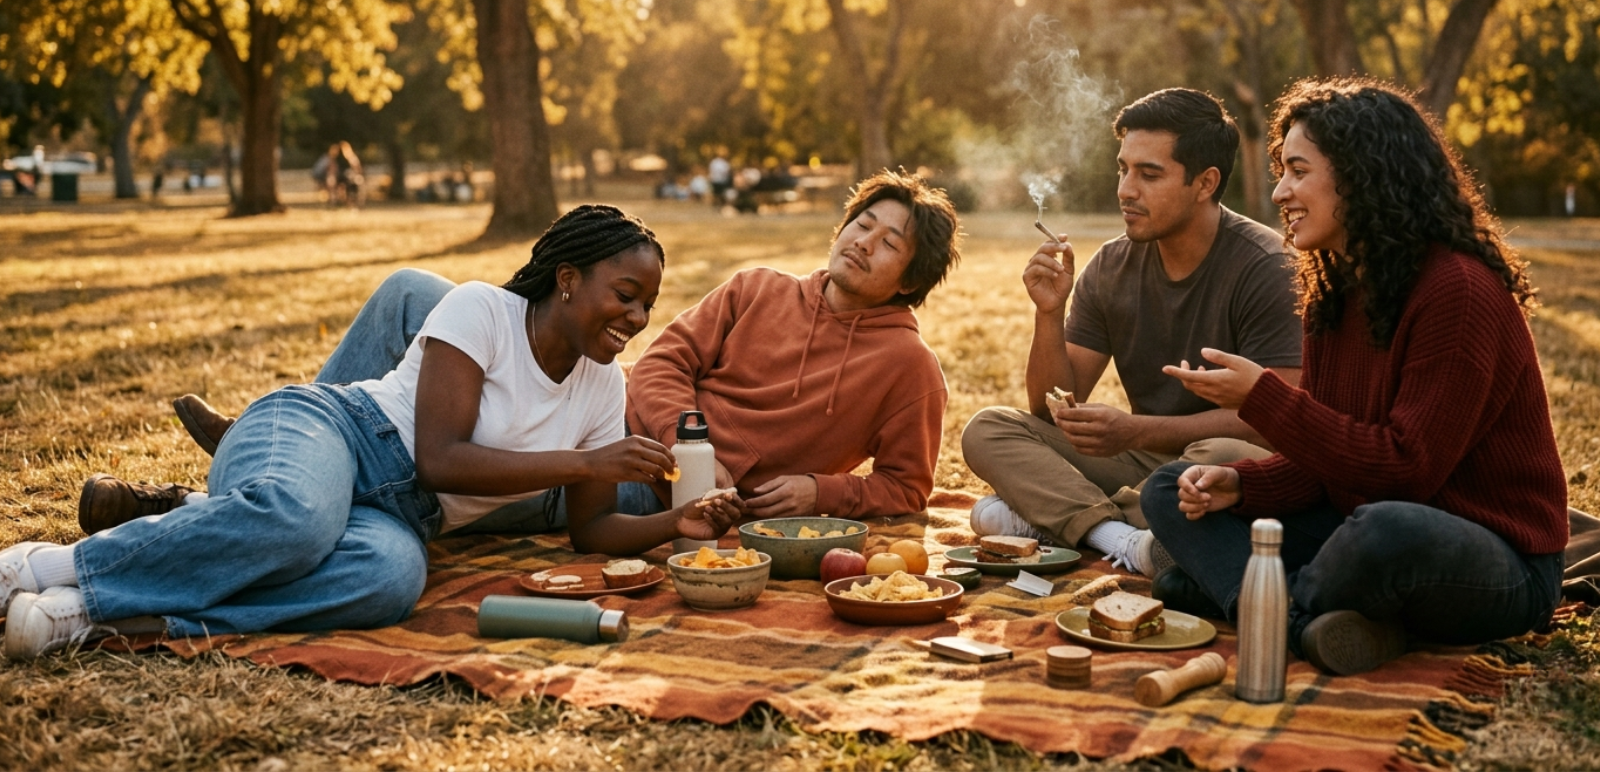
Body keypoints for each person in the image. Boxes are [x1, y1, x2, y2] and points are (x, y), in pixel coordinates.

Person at [3, 206, 741, 659]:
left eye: (649, 304)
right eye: (626, 295)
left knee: (387, 581)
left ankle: (132, 618)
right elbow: (440, 458)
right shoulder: (483, 311)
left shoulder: (601, 387)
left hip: (401, 519)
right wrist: (585, 463)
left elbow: (593, 534)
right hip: (336, 428)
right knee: (296, 516)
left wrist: (683, 518)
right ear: (569, 279)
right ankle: (58, 576)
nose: (638, 319)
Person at [84, 169, 962, 532]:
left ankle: (200, 502)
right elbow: (661, 366)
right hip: (615, 428)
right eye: (862, 222)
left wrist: (818, 489)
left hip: (618, 482)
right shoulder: (759, 286)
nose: (862, 243)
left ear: (910, 275)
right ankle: (287, 440)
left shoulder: (907, 365)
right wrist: (676, 437)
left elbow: (909, 489)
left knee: (440, 480)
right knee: (406, 292)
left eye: (888, 243)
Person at [1142, 78, 1567, 676]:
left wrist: (1265, 398)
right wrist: (1241, 487)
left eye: (1297, 170)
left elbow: (1406, 469)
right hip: (1358, 521)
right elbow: (1332, 458)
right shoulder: (1334, 292)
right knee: (1170, 488)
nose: (1280, 191)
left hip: (1491, 562)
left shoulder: (1458, 292)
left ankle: (1247, 601)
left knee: (1385, 529)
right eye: (1280, 170)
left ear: (1364, 175)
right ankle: (1300, 615)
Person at [960, 88, 1303, 579]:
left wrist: (1137, 429)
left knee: (1219, 459)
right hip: (1144, 463)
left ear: (1205, 183)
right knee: (990, 428)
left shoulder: (1267, 268)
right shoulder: (1110, 265)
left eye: (1149, 174)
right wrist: (1049, 315)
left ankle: (1059, 517)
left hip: (1222, 465)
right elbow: (1049, 409)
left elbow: (1276, 422)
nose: (1125, 189)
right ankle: (1121, 538)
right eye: (1123, 169)